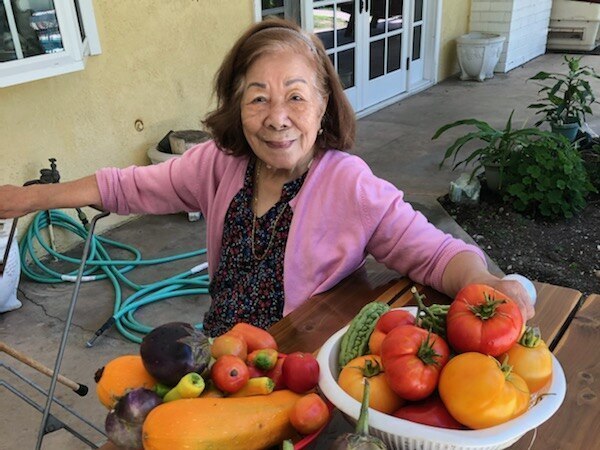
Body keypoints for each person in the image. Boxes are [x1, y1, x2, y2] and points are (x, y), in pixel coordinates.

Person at [0, 19, 534, 336]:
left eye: (296, 97)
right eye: (258, 98)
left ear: (324, 104)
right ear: (238, 106)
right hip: (223, 350)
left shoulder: (349, 184)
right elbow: (125, 186)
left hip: (299, 359)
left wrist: (485, 284)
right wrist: (31, 199)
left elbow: (437, 253)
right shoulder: (219, 163)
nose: (277, 117)